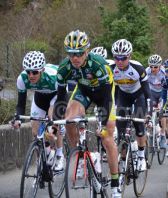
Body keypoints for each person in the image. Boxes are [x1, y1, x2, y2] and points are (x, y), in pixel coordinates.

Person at [52, 30, 120, 197]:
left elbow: (106, 98)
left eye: (80, 53)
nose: (75, 58)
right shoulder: (63, 68)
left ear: (87, 52)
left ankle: (115, 184)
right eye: (71, 53)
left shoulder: (98, 65)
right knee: (68, 120)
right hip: (84, 92)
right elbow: (61, 98)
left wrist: (103, 125)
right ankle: (82, 158)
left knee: (107, 137)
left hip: (104, 94)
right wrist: (55, 123)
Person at [10, 51, 68, 171]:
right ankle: (39, 164)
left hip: (57, 95)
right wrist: (17, 120)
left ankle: (59, 155)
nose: (31, 75)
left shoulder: (54, 77)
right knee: (35, 130)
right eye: (28, 71)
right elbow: (21, 104)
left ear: (42, 70)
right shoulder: (22, 79)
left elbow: (61, 100)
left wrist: (56, 124)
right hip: (40, 97)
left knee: (53, 119)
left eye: (35, 72)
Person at [111, 39, 152, 172]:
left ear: (130, 56)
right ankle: (124, 163)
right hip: (123, 97)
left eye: (123, 57)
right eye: (117, 57)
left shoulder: (138, 69)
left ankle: (141, 156)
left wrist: (149, 114)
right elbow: (109, 91)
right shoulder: (111, 69)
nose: (120, 61)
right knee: (121, 129)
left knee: (138, 122)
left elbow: (148, 94)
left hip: (138, 96)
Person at [146, 54, 166, 150]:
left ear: (160, 66)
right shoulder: (147, 72)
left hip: (163, 92)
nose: (153, 69)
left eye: (155, 67)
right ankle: (150, 137)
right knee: (150, 113)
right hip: (152, 93)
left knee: (162, 112)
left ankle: (163, 135)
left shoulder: (164, 72)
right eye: (151, 67)